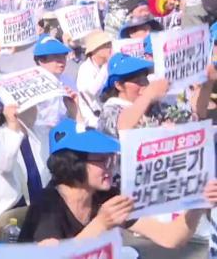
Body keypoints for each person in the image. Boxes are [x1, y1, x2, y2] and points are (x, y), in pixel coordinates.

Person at [19, 118, 217, 246]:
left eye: (110, 159)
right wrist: (102, 223)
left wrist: (198, 205)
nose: (110, 167)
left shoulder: (106, 196)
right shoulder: (47, 205)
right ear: (73, 163)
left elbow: (170, 237)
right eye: (101, 160)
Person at [0, 103, 49, 235]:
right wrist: (13, 126)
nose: (35, 111)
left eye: (35, 106)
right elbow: (5, 165)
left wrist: (75, 110)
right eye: (30, 107)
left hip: (38, 213)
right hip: (3, 216)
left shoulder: (40, 133)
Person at [96, 54, 189, 138]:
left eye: (145, 79)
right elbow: (122, 128)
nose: (144, 84)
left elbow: (189, 118)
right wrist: (147, 95)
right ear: (119, 85)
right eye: (137, 81)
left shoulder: (154, 106)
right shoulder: (109, 111)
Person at [75, 31, 112, 127]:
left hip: (105, 116)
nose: (109, 48)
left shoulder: (104, 66)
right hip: (91, 119)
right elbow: (92, 91)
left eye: (109, 44)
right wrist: (106, 67)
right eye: (105, 45)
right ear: (94, 49)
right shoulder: (85, 68)